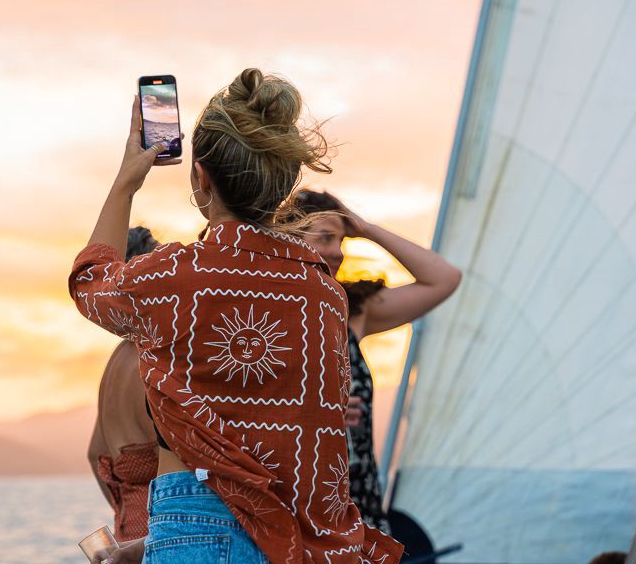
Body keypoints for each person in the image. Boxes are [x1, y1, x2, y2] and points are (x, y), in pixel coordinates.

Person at [69, 68, 403, 563]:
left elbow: (91, 281)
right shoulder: (323, 294)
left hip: (195, 530)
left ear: (200, 177)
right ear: (284, 185)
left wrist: (127, 179)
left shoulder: (176, 278)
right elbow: (292, 478)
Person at [294, 189, 461, 532]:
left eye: (342, 240)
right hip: (303, 507)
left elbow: (444, 279)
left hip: (359, 505)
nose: (338, 251)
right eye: (325, 238)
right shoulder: (266, 314)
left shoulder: (353, 310)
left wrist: (366, 229)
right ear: (292, 239)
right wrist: (321, 416)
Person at [87, 226, 160, 542]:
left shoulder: (117, 358)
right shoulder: (153, 355)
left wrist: (127, 513)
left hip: (125, 533)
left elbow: (94, 453)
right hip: (158, 539)